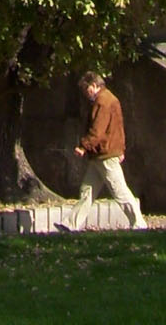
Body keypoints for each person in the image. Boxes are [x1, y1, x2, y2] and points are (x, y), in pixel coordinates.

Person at [68, 74, 148, 230]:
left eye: (87, 88)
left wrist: (84, 146)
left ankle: (139, 223)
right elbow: (118, 128)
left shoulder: (103, 101)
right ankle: (70, 224)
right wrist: (121, 149)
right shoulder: (110, 99)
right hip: (102, 154)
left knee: (119, 191)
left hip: (105, 154)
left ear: (94, 85)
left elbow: (98, 129)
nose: (86, 93)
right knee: (87, 190)